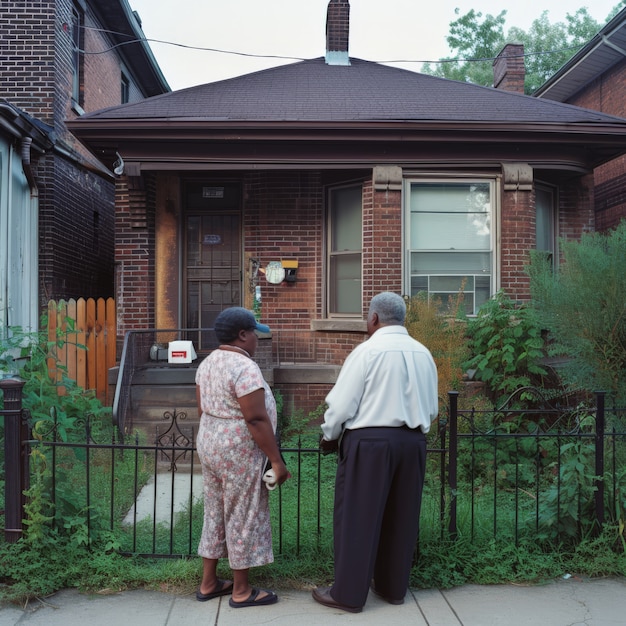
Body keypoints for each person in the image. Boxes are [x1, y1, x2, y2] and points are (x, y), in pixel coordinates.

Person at [312, 292, 439, 613]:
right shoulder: (423, 353)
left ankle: (348, 594)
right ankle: (393, 588)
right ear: (402, 318)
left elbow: (341, 404)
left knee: (358, 516)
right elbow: (433, 408)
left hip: (370, 443)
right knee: (402, 516)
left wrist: (330, 434)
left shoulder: (367, 351)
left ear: (373, 319)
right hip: (413, 443)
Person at [194, 307, 289, 609]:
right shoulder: (244, 367)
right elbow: (256, 419)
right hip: (238, 451)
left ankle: (209, 583)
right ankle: (241, 590)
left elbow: (202, 408)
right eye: (255, 334)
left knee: (215, 511)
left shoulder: (207, 363)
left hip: (210, 444)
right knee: (243, 513)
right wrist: (277, 461)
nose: (258, 340)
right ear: (243, 335)